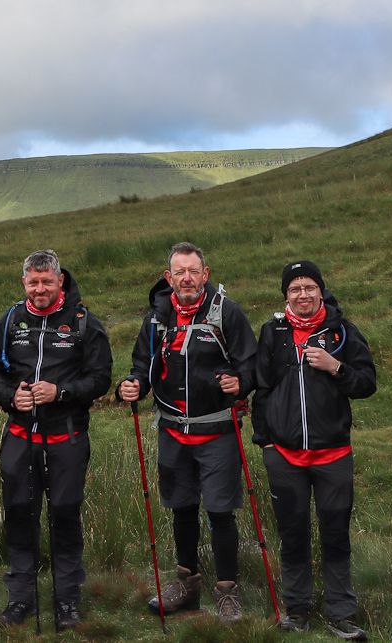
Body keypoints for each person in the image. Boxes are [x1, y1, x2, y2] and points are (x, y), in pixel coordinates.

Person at [117, 242, 256, 624]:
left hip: (218, 431)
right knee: (182, 508)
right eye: (179, 272)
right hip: (172, 431)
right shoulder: (157, 319)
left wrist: (239, 383)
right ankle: (186, 583)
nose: (187, 279)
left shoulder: (227, 313)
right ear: (169, 278)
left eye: (194, 271)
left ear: (205, 274)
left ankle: (227, 591)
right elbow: (140, 367)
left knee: (220, 512)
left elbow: (251, 365)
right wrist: (131, 385)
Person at [0, 249, 113, 632]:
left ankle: (67, 599)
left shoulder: (84, 322)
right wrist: (10, 397)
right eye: (33, 282)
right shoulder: (9, 321)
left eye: (47, 281)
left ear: (60, 281)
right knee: (20, 514)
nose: (40, 288)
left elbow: (101, 378)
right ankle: (21, 595)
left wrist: (62, 391)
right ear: (24, 282)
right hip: (20, 436)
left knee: (65, 514)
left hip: (66, 437)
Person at [251, 261, 376, 639]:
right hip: (284, 456)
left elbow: (367, 383)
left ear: (321, 291)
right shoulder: (273, 333)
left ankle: (341, 613)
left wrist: (336, 367)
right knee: (292, 533)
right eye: (295, 288)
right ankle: (298, 609)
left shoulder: (342, 332)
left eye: (309, 287)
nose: (302, 294)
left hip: (333, 455)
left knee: (335, 534)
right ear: (285, 295)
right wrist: (266, 442)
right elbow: (262, 390)